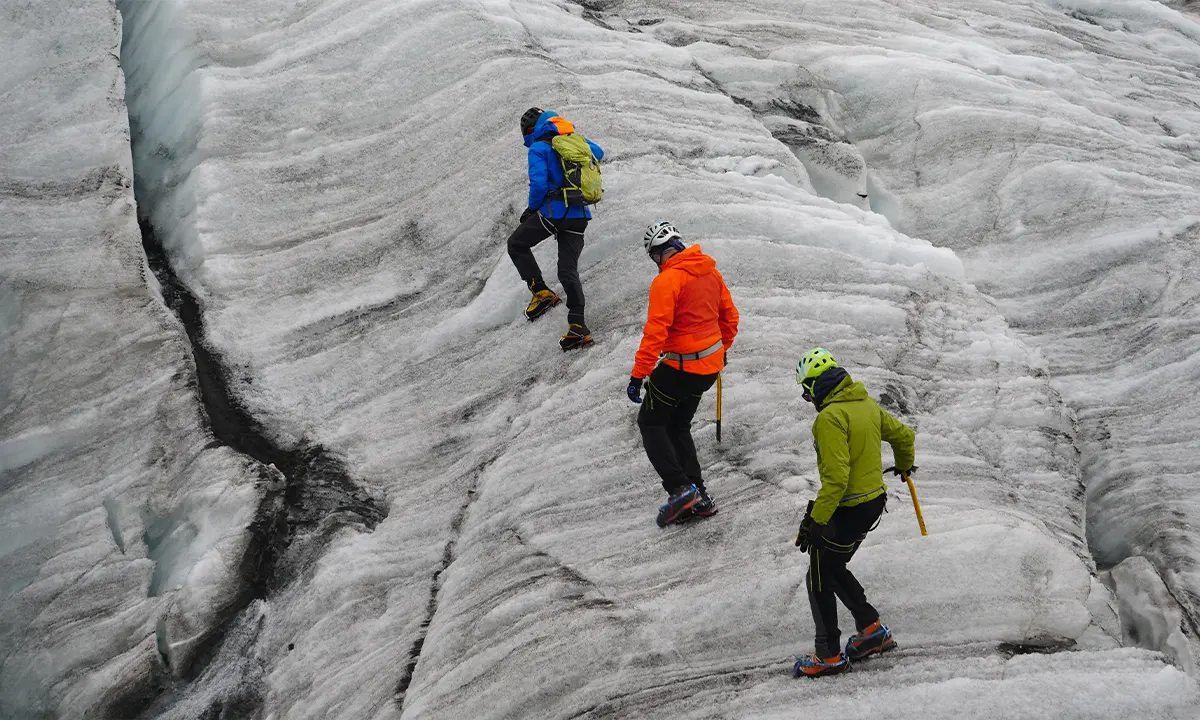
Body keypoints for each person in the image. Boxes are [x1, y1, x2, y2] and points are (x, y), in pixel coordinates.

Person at [792, 347, 915, 677]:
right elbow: (904, 435)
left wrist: (816, 521)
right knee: (832, 566)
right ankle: (871, 630)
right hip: (872, 503)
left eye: (807, 391)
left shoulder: (829, 418)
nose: (807, 398)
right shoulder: (866, 404)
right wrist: (904, 465)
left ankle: (829, 655)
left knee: (818, 573)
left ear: (817, 385)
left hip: (847, 507)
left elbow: (836, 478)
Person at [626, 221, 739, 527]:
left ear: (660, 254)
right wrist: (720, 351)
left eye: (654, 258)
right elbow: (730, 318)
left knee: (650, 423)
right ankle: (698, 494)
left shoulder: (667, 281)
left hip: (681, 367)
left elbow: (655, 332)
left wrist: (639, 375)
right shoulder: (710, 272)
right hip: (708, 369)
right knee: (678, 425)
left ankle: (679, 490)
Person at [507, 106, 605, 351]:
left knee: (517, 244)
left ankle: (540, 292)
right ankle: (577, 327)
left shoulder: (540, 148)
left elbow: (538, 184)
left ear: (530, 130)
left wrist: (531, 210)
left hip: (554, 213)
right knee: (567, 270)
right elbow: (598, 152)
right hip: (579, 215)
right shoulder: (577, 143)